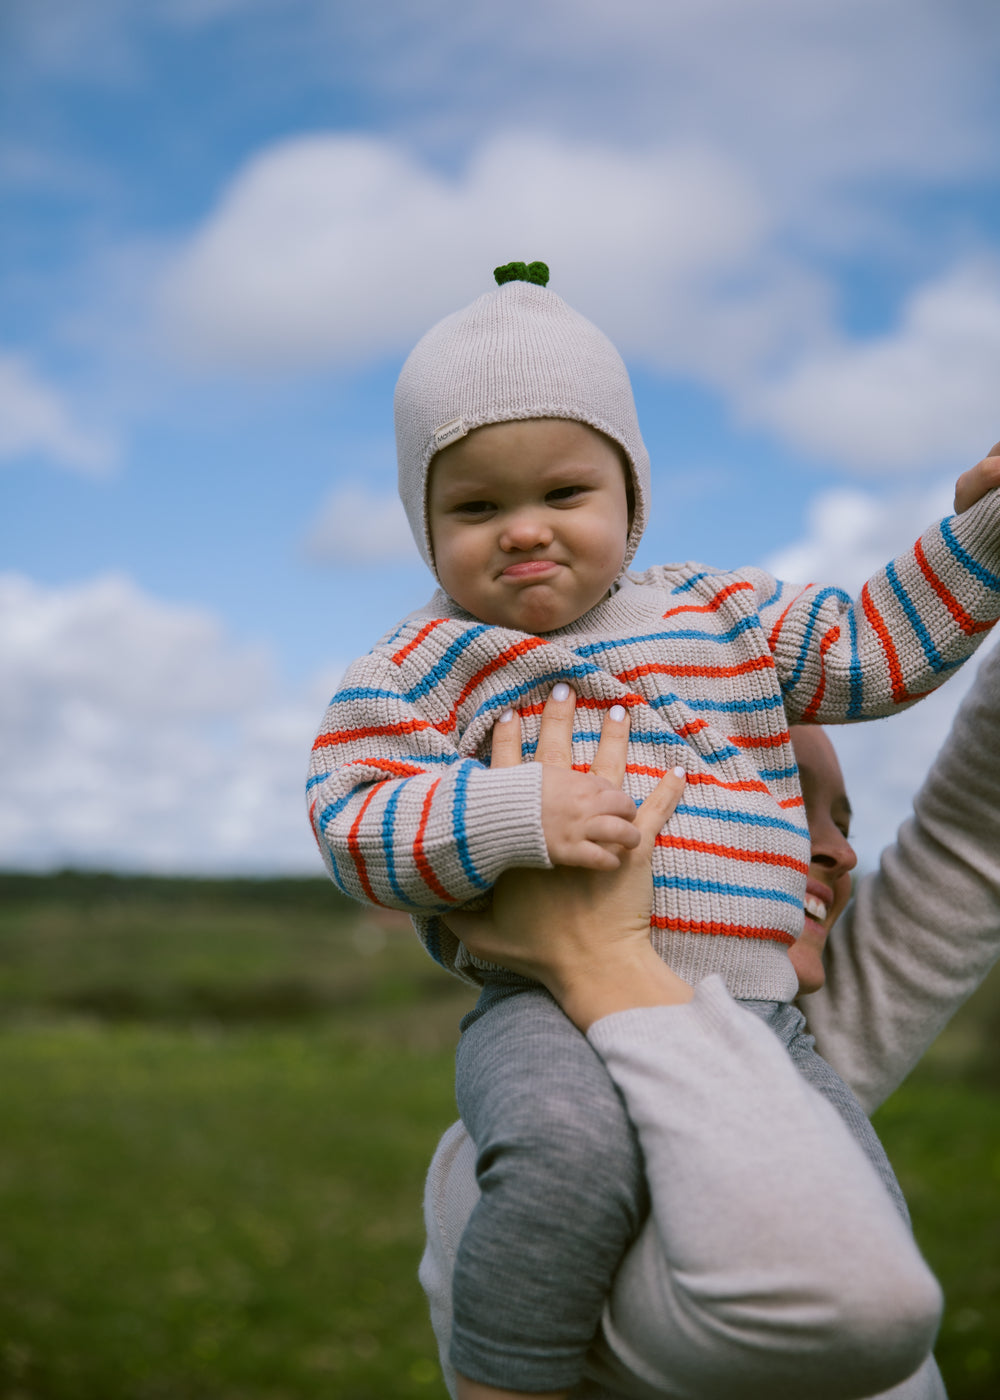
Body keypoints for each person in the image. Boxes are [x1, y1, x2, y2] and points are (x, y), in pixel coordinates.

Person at [307, 260, 1000, 1394]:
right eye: (475, 507)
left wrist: (983, 534)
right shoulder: (421, 663)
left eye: (563, 493)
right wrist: (514, 809)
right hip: (544, 1013)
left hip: (760, 1019)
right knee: (564, 1157)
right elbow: (352, 817)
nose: (523, 531)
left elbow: (870, 648)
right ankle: (503, 1376)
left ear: (631, 499)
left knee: (861, 1202)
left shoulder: (720, 615)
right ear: (424, 526)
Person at [421, 639, 1000, 1399]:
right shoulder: (532, 1157)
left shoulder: (787, 1048)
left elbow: (974, 837)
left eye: (842, 822)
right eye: (771, 800)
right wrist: (601, 959)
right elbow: (869, 1308)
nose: (840, 853)